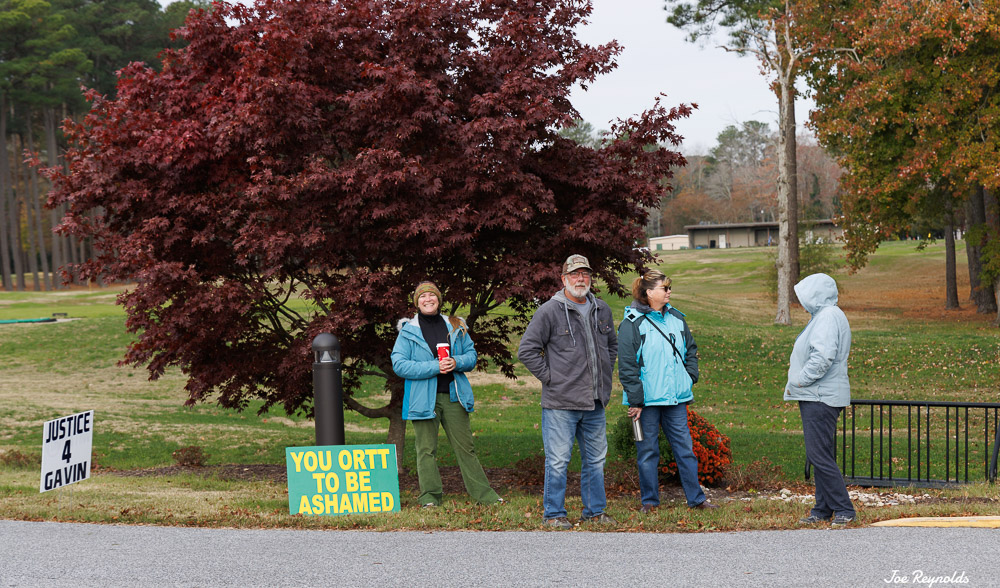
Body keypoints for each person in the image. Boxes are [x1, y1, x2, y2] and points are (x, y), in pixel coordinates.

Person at [517, 254, 618, 529]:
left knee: (596, 460)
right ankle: (554, 514)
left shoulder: (602, 309)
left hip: (595, 402)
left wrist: (605, 378)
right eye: (574, 274)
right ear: (564, 279)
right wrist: (551, 378)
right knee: (559, 461)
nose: (580, 279)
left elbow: (612, 347)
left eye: (585, 274)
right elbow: (526, 350)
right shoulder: (549, 311)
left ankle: (595, 512)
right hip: (560, 403)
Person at [391, 281, 502, 508]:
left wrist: (456, 362)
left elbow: (471, 356)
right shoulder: (408, 331)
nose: (428, 299)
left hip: (454, 396)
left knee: (466, 448)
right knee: (425, 451)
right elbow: (400, 365)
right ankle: (430, 498)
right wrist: (435, 366)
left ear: (438, 300)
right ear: (417, 302)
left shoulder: (455, 325)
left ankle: (485, 496)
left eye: (432, 295)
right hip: (423, 399)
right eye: (423, 296)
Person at [617, 269, 717, 513]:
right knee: (648, 453)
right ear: (649, 292)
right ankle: (650, 502)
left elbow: (690, 350)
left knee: (686, 451)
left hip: (676, 400)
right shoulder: (632, 324)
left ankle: (696, 499)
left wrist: (690, 376)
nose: (669, 291)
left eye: (669, 287)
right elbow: (628, 366)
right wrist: (636, 401)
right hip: (646, 403)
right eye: (665, 287)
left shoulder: (677, 319)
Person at [784, 273, 856, 526]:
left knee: (818, 455)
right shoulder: (827, 315)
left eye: (804, 296)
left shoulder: (826, 317)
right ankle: (822, 510)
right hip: (821, 394)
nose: (802, 302)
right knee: (821, 453)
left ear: (815, 294)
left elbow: (822, 357)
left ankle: (844, 509)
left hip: (819, 395)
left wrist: (800, 380)